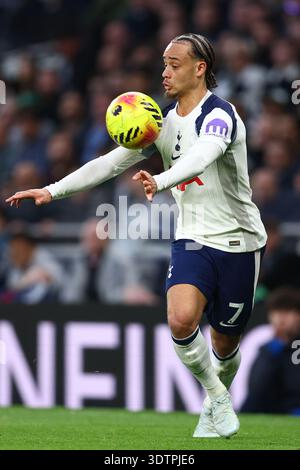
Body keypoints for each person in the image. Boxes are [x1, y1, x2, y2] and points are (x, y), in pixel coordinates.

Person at [6, 33, 267, 438]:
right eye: (163, 63)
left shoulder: (221, 114)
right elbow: (109, 163)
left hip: (239, 240)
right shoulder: (159, 122)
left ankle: (216, 395)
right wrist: (51, 189)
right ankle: (216, 398)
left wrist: (162, 179)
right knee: (181, 321)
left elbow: (203, 156)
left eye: (175, 64)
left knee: (225, 343)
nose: (165, 72)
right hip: (192, 238)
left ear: (200, 68)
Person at [241, 288, 300, 415]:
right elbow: (256, 389)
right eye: (276, 312)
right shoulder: (269, 349)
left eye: (288, 311)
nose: (281, 318)